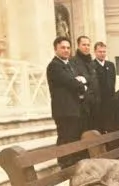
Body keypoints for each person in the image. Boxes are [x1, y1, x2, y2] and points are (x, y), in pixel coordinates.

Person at [46, 36, 87, 168]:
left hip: (73, 108)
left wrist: (80, 82)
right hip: (63, 110)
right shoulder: (54, 66)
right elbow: (70, 82)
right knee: (65, 138)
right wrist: (82, 84)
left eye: (68, 48)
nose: (66, 50)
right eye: (62, 48)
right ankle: (64, 165)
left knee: (73, 138)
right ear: (55, 49)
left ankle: (72, 164)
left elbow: (77, 80)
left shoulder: (69, 65)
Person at [71, 36, 100, 132]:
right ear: (78, 45)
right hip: (83, 104)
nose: (86, 47)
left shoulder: (92, 62)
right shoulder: (73, 62)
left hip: (95, 103)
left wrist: (86, 79)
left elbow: (94, 80)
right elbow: (77, 80)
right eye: (84, 45)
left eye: (88, 45)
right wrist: (87, 80)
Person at [93, 41, 116, 132]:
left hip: (110, 100)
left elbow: (112, 82)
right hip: (99, 102)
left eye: (104, 52)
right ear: (95, 52)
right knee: (100, 127)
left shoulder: (110, 65)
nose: (102, 54)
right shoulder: (92, 65)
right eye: (100, 51)